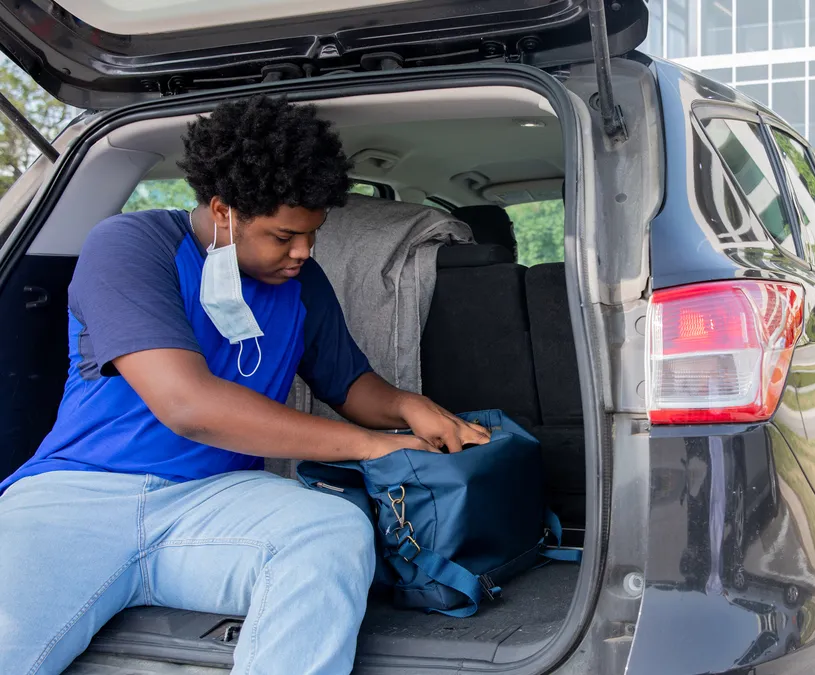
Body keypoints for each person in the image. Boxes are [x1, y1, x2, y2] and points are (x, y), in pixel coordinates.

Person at [0, 95, 490, 675]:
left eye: (313, 234)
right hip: (78, 499)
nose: (303, 252)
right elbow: (189, 406)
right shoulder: (130, 247)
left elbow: (350, 384)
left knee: (332, 528)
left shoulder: (302, 283)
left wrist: (410, 408)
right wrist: (371, 444)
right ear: (224, 209)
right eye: (284, 236)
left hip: (217, 500)